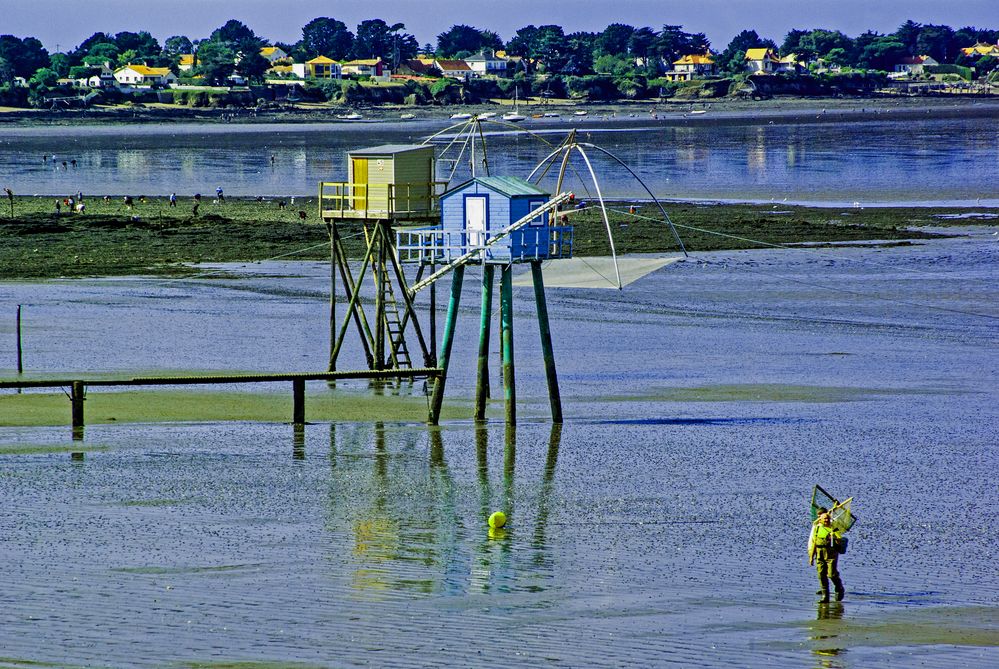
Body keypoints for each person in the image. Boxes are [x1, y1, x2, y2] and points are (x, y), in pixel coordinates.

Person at [808, 507, 845, 603]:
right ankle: (825, 596)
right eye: (824, 518)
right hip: (819, 553)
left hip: (831, 554)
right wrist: (811, 557)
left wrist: (834, 538)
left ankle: (839, 587)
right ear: (820, 519)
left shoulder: (834, 528)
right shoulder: (817, 528)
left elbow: (840, 541)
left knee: (831, 574)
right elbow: (814, 543)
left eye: (827, 518)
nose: (826, 520)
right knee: (821, 574)